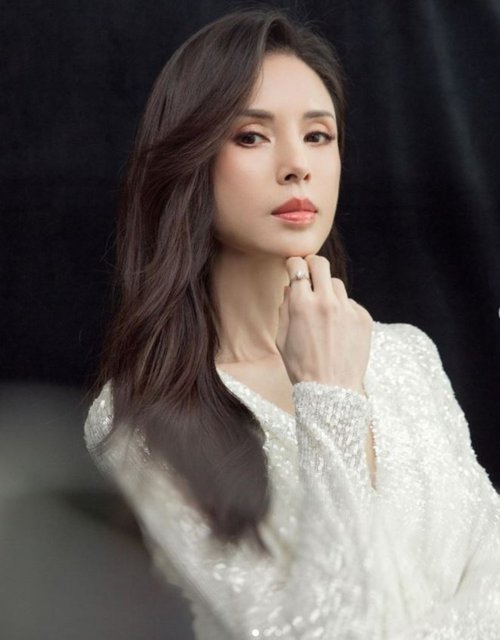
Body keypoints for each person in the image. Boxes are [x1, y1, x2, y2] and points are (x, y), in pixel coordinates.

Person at [84, 7, 500, 639]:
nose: (296, 165)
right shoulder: (142, 416)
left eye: (318, 135)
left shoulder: (408, 356)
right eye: (252, 136)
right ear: (191, 158)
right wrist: (328, 396)